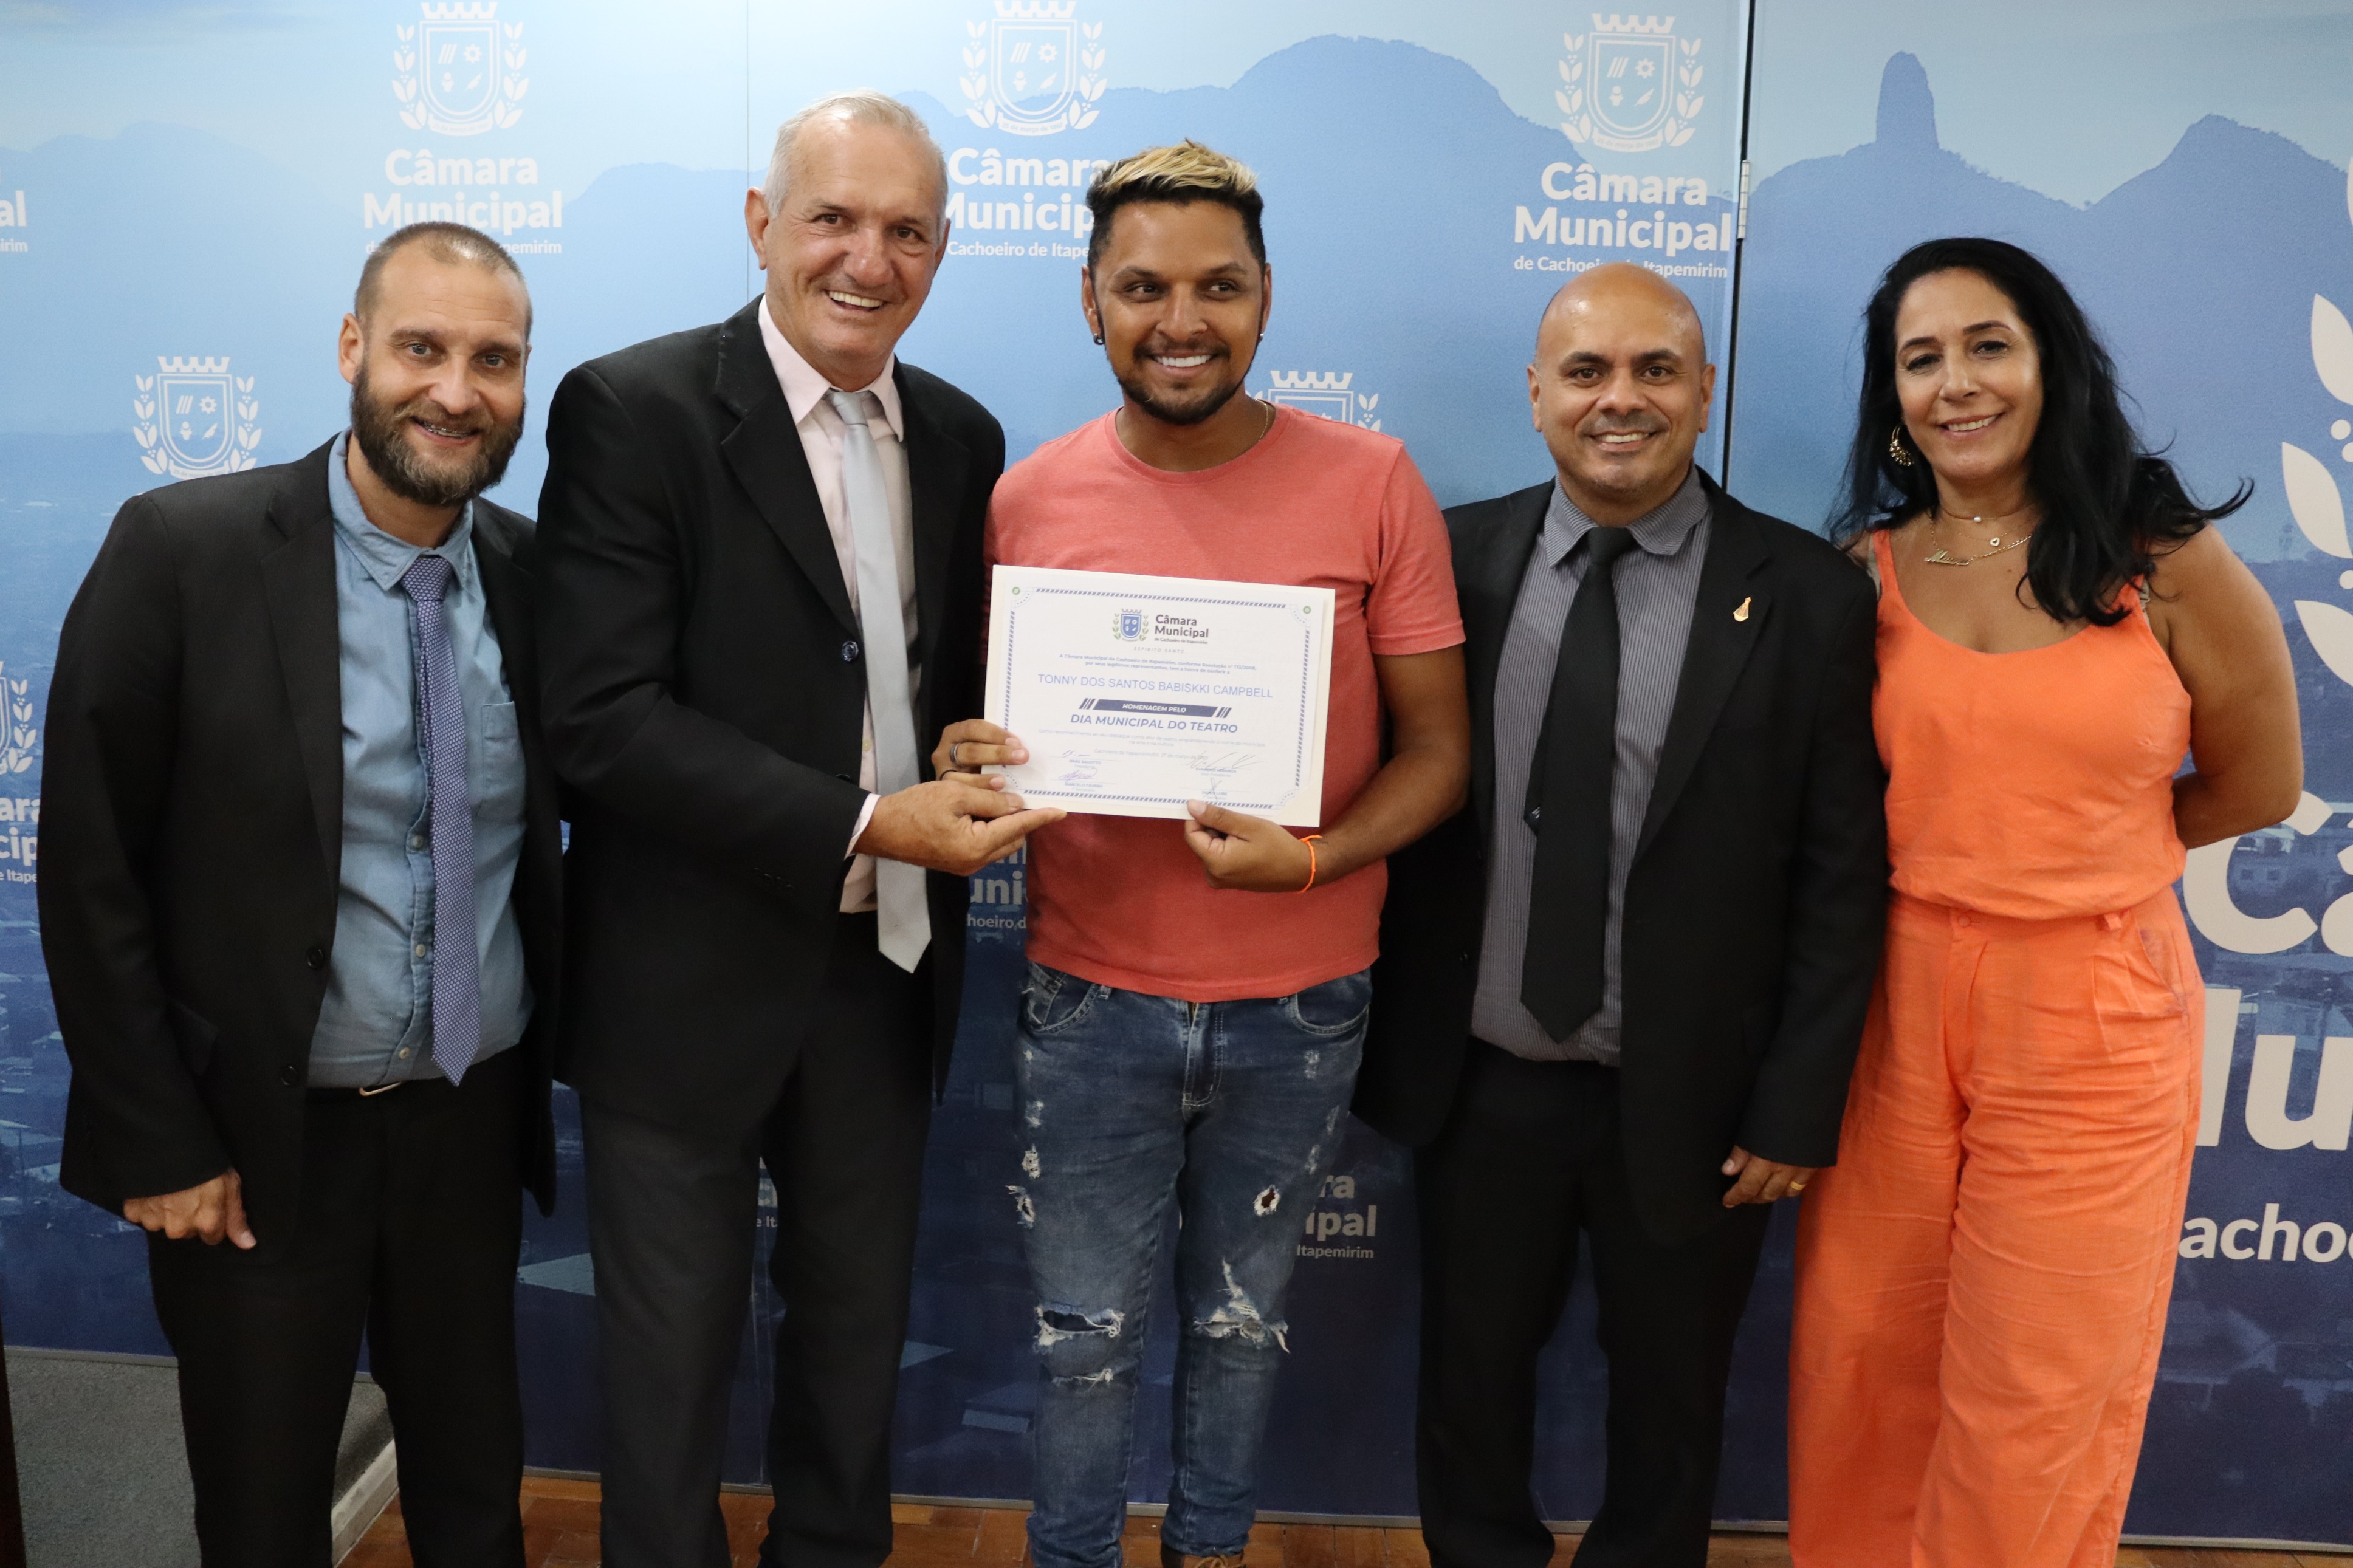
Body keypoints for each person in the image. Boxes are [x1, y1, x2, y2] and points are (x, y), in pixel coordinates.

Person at [534, 92, 1057, 1568]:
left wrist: (965, 743)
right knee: (667, 1374)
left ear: (942, 250)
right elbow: (600, 718)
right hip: (679, 983)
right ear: (763, 225)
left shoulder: (959, 433)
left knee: (853, 1350)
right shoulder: (631, 409)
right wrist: (868, 818)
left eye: (906, 231)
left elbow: (921, 683)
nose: (867, 260)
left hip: (881, 977)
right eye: (833, 218)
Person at [941, 141, 1469, 1568]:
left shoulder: (1373, 482)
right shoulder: (1027, 501)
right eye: (1144, 287)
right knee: (1079, 1343)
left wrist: (1313, 861)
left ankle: (1211, 1555)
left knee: (1242, 1332)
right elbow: (986, 737)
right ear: (1090, 301)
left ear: (1265, 296)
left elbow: (1439, 755)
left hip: (1301, 1004)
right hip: (1087, 999)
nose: (1182, 320)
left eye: (1219, 287)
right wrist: (970, 755)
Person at [1353, 263, 1888, 1568]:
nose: (1620, 399)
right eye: (1587, 371)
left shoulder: (1809, 594)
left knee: (1672, 1412)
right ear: (1536, 394)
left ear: (1704, 392)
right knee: (1467, 1392)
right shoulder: (1447, 562)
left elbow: (1839, 878)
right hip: (1481, 1085)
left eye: (1656, 370)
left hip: (1699, 1101)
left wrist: (1795, 1105)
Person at [41, 222, 558, 1566]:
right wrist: (159, 1139)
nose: (456, 391)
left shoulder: (537, 574)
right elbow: (90, 868)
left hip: (466, 1119)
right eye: (421, 348)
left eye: (494, 360)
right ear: (351, 349)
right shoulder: (183, 550)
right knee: (264, 1518)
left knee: (476, 1500)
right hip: (257, 1147)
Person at [1785, 238, 2302, 1566]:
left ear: (2052, 365)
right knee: (1862, 1362)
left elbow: (2259, 782)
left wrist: (2085, 859)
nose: (1955, 383)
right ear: (1892, 399)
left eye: (1987, 346)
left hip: (2093, 1012)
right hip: (1893, 1008)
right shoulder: (1863, 574)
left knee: (2038, 1388)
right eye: (1921, 359)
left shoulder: (2164, 562)